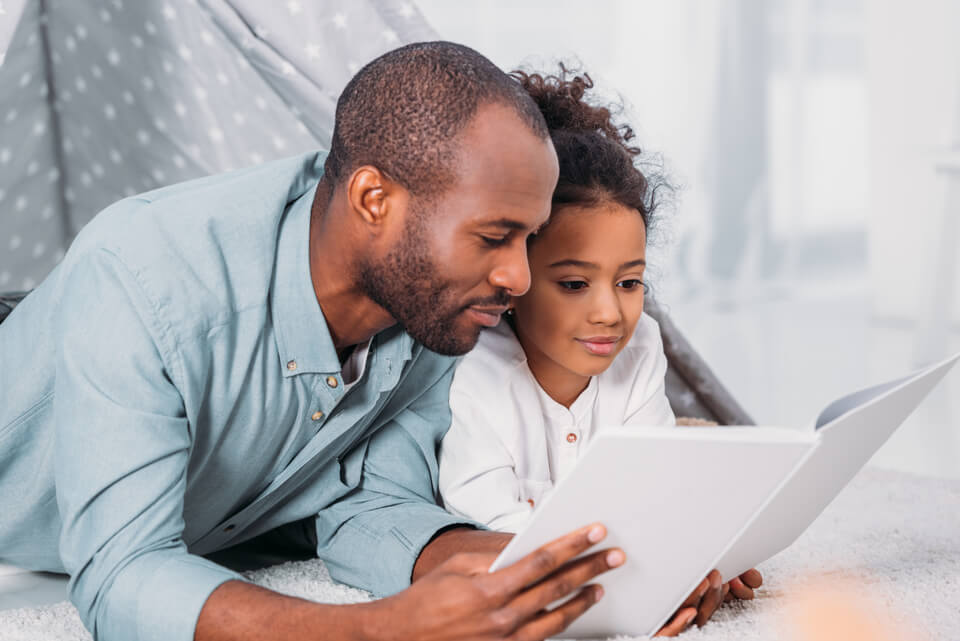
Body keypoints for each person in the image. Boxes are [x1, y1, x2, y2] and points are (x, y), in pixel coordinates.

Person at [0, 41, 641, 641]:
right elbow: (122, 573)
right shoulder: (143, 276)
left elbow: (366, 501)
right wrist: (381, 628)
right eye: (492, 237)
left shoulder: (432, 306)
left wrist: (567, 571)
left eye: (528, 239)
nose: (518, 278)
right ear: (373, 199)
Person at [438, 67, 762, 626]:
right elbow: (493, 531)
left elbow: (655, 485)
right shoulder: (476, 368)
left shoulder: (642, 349)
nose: (611, 313)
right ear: (514, 279)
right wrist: (628, 577)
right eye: (573, 284)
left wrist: (691, 554)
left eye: (630, 282)